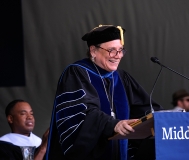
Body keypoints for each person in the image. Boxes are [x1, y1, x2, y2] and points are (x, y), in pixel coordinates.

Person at [46, 24, 162, 160]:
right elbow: (82, 114)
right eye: (111, 50)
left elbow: (143, 107)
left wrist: (167, 118)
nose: (118, 56)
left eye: (121, 50)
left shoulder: (121, 77)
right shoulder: (77, 73)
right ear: (93, 51)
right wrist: (113, 124)